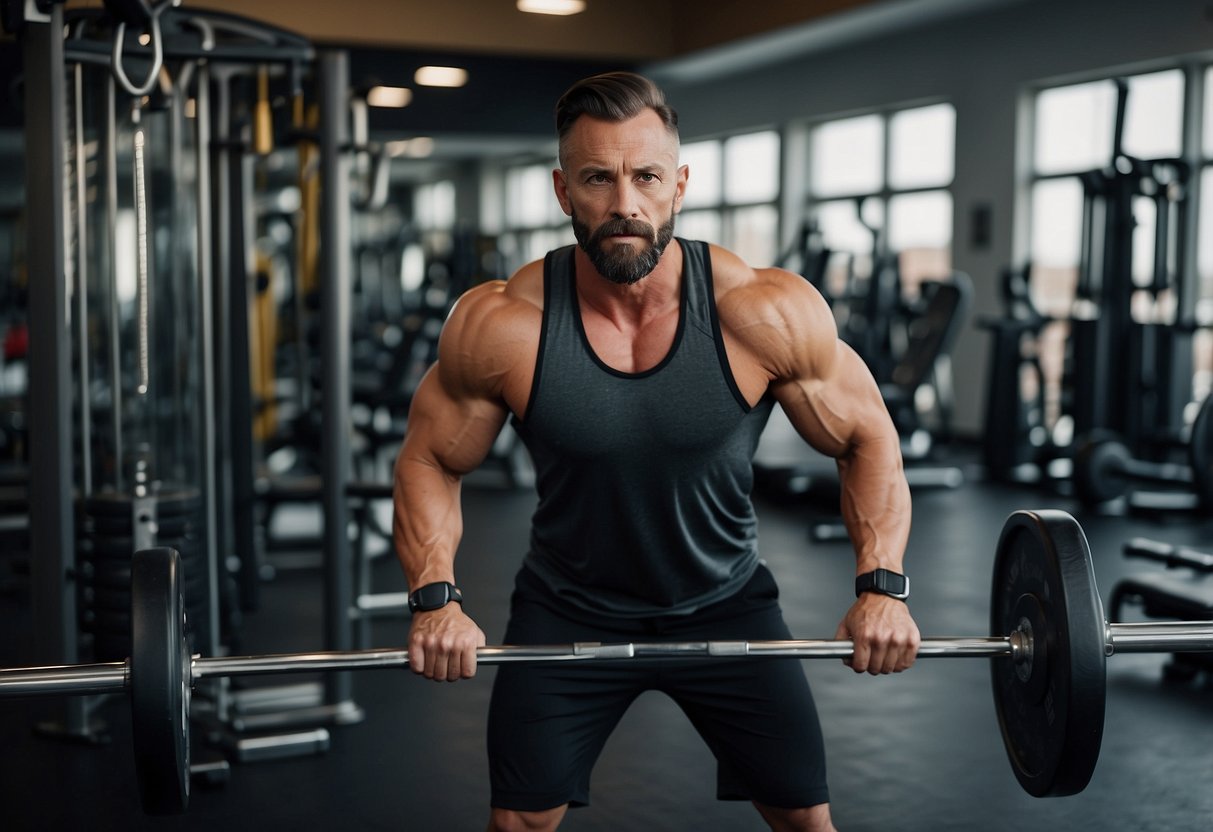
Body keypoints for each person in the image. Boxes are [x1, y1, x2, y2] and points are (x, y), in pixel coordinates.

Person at [392, 71, 921, 832]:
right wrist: (435, 599)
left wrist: (882, 586)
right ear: (562, 190)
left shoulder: (761, 313)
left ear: (678, 184)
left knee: (806, 820)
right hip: (567, 608)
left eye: (644, 177)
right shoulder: (504, 323)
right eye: (597, 179)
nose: (623, 205)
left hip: (726, 602)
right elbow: (430, 459)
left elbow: (866, 434)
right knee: (518, 825)